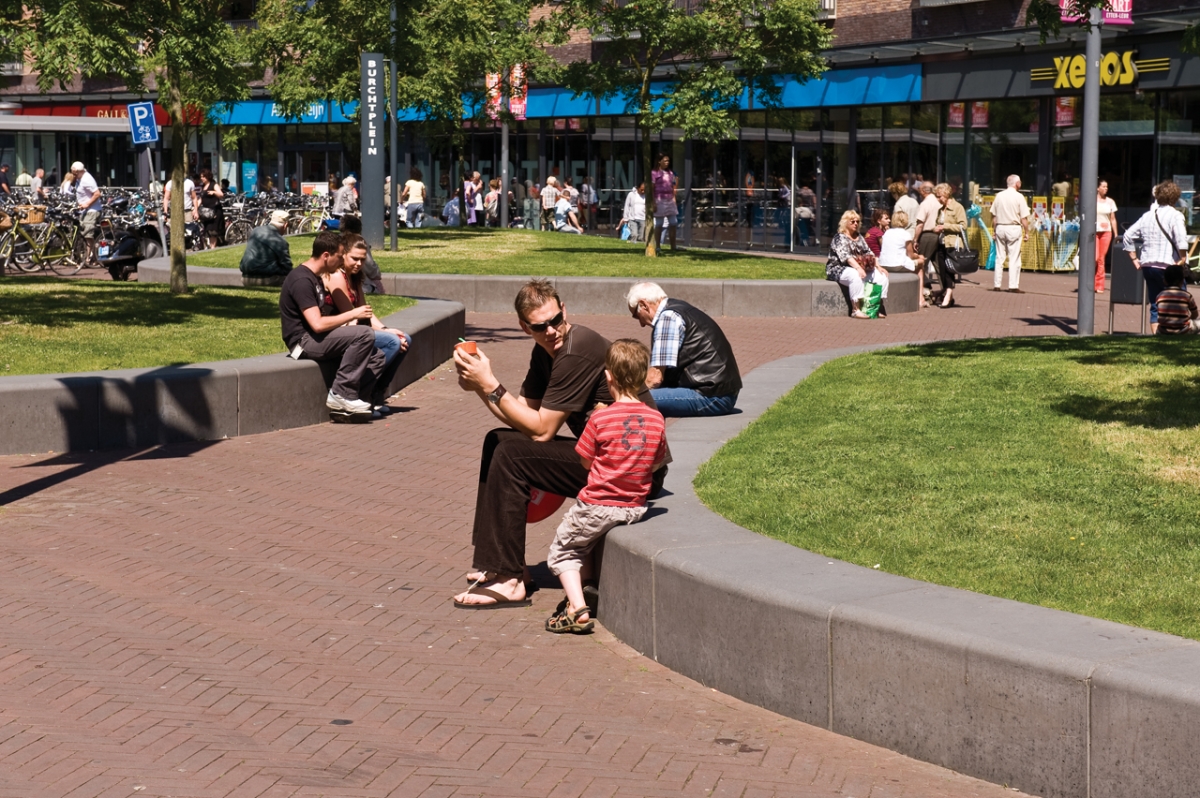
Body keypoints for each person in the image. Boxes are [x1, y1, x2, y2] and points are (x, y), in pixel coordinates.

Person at [450, 280, 667, 608]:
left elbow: (541, 432)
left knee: (512, 454)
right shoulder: (544, 352)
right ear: (525, 327)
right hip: (605, 460)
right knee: (499, 440)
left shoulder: (576, 348)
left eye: (556, 320)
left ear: (563, 309)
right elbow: (523, 417)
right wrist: (481, 386)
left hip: (634, 472)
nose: (551, 330)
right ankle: (502, 564)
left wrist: (490, 383)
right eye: (541, 326)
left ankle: (508, 580)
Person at [543, 339, 667, 634]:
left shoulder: (600, 417)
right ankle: (586, 589)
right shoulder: (656, 419)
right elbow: (655, 463)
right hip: (635, 506)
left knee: (562, 551)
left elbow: (585, 461)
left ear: (608, 376)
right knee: (584, 543)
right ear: (641, 379)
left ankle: (577, 608)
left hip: (598, 505)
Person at [278, 231, 385, 416]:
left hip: (316, 337)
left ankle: (356, 401)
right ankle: (341, 393)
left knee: (377, 356)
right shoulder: (302, 280)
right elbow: (317, 324)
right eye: (340, 256)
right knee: (364, 334)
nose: (342, 261)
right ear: (326, 255)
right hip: (302, 343)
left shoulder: (317, 277)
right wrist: (353, 314)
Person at [626, 281, 742, 416]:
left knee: (630, 401)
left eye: (636, 315)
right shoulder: (680, 308)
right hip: (723, 391)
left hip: (711, 396)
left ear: (643, 305)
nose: (640, 324)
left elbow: (655, 377)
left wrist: (628, 393)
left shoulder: (667, 319)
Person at [327, 233, 411, 411]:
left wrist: (386, 329)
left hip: (357, 328)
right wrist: (388, 335)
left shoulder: (355, 277)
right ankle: (362, 391)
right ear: (343, 255)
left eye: (362, 259)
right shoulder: (336, 277)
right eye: (354, 258)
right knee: (392, 342)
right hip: (342, 331)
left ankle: (378, 391)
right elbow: (350, 314)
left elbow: (365, 311)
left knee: (404, 338)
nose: (359, 263)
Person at [1123, 180, 1188, 335]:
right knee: (1179, 301)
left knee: (1155, 304)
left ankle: (1156, 337)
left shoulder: (1147, 216)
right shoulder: (1175, 215)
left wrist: (1134, 259)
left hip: (1148, 265)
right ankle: (1178, 334)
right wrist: (1183, 258)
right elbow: (1181, 239)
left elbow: (1127, 235)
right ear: (1175, 197)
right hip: (1168, 266)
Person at [826, 210, 880, 320]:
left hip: (858, 267)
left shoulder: (859, 237)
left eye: (857, 221)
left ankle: (872, 309)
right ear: (845, 222)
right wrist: (859, 268)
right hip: (837, 269)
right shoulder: (839, 237)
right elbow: (846, 257)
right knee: (855, 275)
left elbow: (869, 252)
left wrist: (878, 267)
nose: (855, 223)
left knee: (880, 276)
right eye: (852, 221)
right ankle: (856, 310)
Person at [878, 209, 928, 308]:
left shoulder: (887, 233)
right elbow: (911, 255)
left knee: (916, 263)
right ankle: (921, 298)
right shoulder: (905, 234)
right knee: (920, 265)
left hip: (884, 264)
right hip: (898, 265)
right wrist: (919, 256)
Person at [989, 174, 1031, 293]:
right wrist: (1027, 232)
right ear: (1017, 184)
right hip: (1013, 228)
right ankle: (1013, 285)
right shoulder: (1019, 197)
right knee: (1014, 258)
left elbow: (994, 215)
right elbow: (1023, 217)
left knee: (999, 257)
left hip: (1000, 227)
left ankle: (997, 284)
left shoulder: (999, 196)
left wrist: (994, 230)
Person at [240, 209, 294, 284]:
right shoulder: (280, 241)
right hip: (267, 279)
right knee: (293, 280)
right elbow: (287, 267)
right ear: (285, 225)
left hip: (245, 277)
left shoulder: (255, 231)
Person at [936, 183, 967, 309]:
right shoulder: (940, 210)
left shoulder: (957, 207)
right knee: (942, 270)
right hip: (941, 242)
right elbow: (937, 223)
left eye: (939, 196)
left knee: (949, 270)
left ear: (946, 194)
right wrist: (936, 228)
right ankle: (949, 295)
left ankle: (947, 295)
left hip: (952, 243)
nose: (938, 199)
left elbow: (963, 226)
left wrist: (945, 226)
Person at [338, 216, 385, 294]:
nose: (359, 263)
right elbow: (370, 266)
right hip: (361, 284)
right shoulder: (359, 243)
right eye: (355, 259)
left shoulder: (336, 240)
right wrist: (376, 274)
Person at [70, 162, 103, 265]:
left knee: (88, 235)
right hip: (84, 210)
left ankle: (90, 258)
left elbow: (97, 193)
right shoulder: (79, 178)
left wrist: (87, 204)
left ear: (80, 171)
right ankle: (90, 256)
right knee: (84, 234)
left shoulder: (87, 179)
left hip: (92, 210)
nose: (73, 175)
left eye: (75, 173)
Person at [1155, 265, 1200, 334]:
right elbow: (1195, 314)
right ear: (1182, 281)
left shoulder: (1160, 295)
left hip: (1163, 331)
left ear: (1164, 281)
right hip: (1183, 330)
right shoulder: (1187, 296)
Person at [651, 154, 678, 250]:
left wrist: (674, 198)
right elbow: (652, 188)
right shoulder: (654, 173)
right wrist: (653, 202)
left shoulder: (671, 173)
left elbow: (673, 186)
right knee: (659, 223)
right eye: (665, 160)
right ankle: (657, 246)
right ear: (659, 161)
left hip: (670, 199)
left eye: (668, 161)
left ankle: (673, 246)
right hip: (659, 199)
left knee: (673, 222)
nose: (667, 162)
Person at [1095, 180, 1118, 294]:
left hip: (1106, 232)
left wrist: (1116, 234)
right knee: (1094, 257)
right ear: (1097, 188)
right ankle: (1090, 282)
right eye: (1103, 186)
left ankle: (1099, 285)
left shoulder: (1110, 202)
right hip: (1094, 232)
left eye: (1107, 187)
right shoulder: (1092, 200)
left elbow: (1113, 219)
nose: (1105, 188)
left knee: (1101, 258)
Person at [197, 168, 225, 249]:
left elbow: (221, 194)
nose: (201, 178)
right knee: (208, 230)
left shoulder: (214, 184)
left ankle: (213, 247)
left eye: (203, 177)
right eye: (201, 177)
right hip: (206, 213)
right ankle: (211, 246)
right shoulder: (203, 186)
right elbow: (201, 198)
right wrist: (195, 207)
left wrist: (214, 192)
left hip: (214, 211)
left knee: (213, 230)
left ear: (208, 177)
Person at [796, 181, 817, 246]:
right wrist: (815, 207)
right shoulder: (810, 192)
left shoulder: (800, 191)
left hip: (801, 209)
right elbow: (814, 199)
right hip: (809, 209)